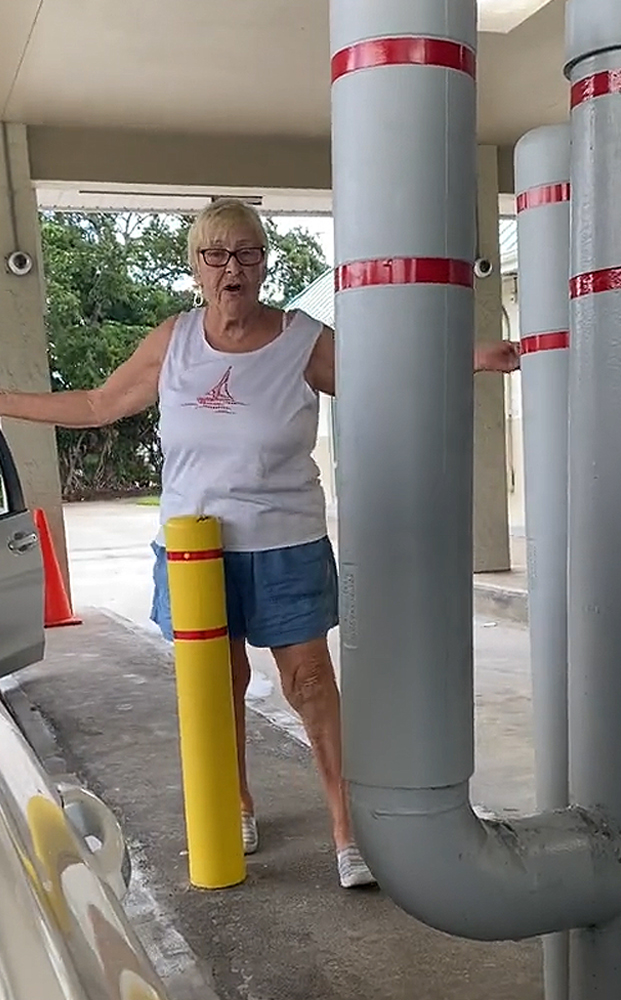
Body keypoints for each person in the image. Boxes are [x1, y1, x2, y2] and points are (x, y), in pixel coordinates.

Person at [0, 198, 519, 889]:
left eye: (246, 253)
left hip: (285, 542)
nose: (231, 268)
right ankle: (236, 802)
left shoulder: (303, 339)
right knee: (219, 685)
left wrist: (474, 358)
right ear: (196, 268)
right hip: (193, 549)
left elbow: (388, 375)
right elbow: (97, 405)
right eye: (215, 255)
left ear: (264, 264)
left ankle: (346, 829)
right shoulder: (174, 340)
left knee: (308, 685)